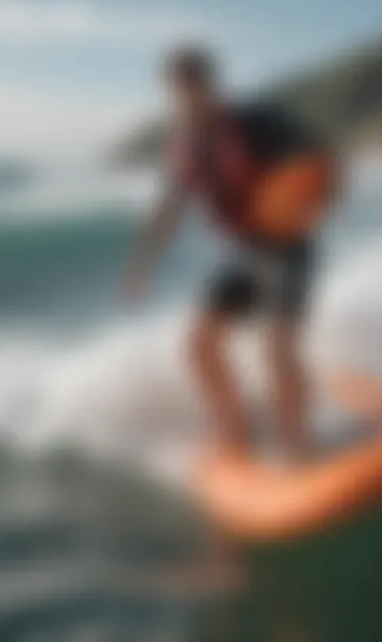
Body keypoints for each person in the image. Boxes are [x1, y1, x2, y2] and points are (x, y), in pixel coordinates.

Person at [121, 44, 337, 461]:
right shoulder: (189, 143)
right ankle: (235, 428)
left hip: (287, 249)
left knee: (277, 347)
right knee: (199, 344)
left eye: (194, 85)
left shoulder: (256, 122)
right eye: (178, 89)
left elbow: (320, 159)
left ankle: (299, 446)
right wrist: (142, 264)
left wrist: (314, 200)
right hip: (243, 253)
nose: (187, 96)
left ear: (211, 83)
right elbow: (171, 205)